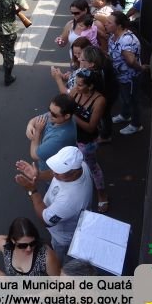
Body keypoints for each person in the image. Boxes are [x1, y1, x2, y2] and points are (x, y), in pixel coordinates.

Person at [15, 146, 93, 263]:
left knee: (58, 258)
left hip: (62, 237)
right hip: (66, 216)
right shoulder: (82, 166)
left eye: (59, 171)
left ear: (74, 172)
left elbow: (46, 221)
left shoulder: (69, 201)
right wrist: (38, 175)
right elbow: (54, 174)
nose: (53, 172)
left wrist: (32, 191)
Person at [0, 217, 60, 304]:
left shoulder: (46, 256)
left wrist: (38, 298)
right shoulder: (6, 247)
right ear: (12, 241)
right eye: (22, 245)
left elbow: (61, 284)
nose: (29, 249)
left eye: (32, 243)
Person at [59, 69, 109, 211]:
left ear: (91, 86)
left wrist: (72, 117)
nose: (76, 86)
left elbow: (91, 127)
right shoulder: (76, 91)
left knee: (92, 167)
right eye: (76, 83)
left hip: (87, 142)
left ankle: (102, 195)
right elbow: (66, 100)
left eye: (80, 85)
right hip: (72, 136)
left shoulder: (99, 101)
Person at [105, 11, 148, 135]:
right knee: (124, 97)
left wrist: (141, 68)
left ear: (118, 26)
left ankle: (136, 124)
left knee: (133, 100)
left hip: (130, 78)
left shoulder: (126, 41)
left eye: (109, 22)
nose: (106, 24)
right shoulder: (113, 36)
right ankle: (125, 115)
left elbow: (130, 61)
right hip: (120, 76)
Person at [25, 94, 78, 174]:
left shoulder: (60, 138)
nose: (49, 115)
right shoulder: (56, 117)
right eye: (49, 110)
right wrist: (30, 126)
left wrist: (37, 133)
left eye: (54, 114)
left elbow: (34, 155)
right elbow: (35, 120)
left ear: (67, 116)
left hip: (52, 173)